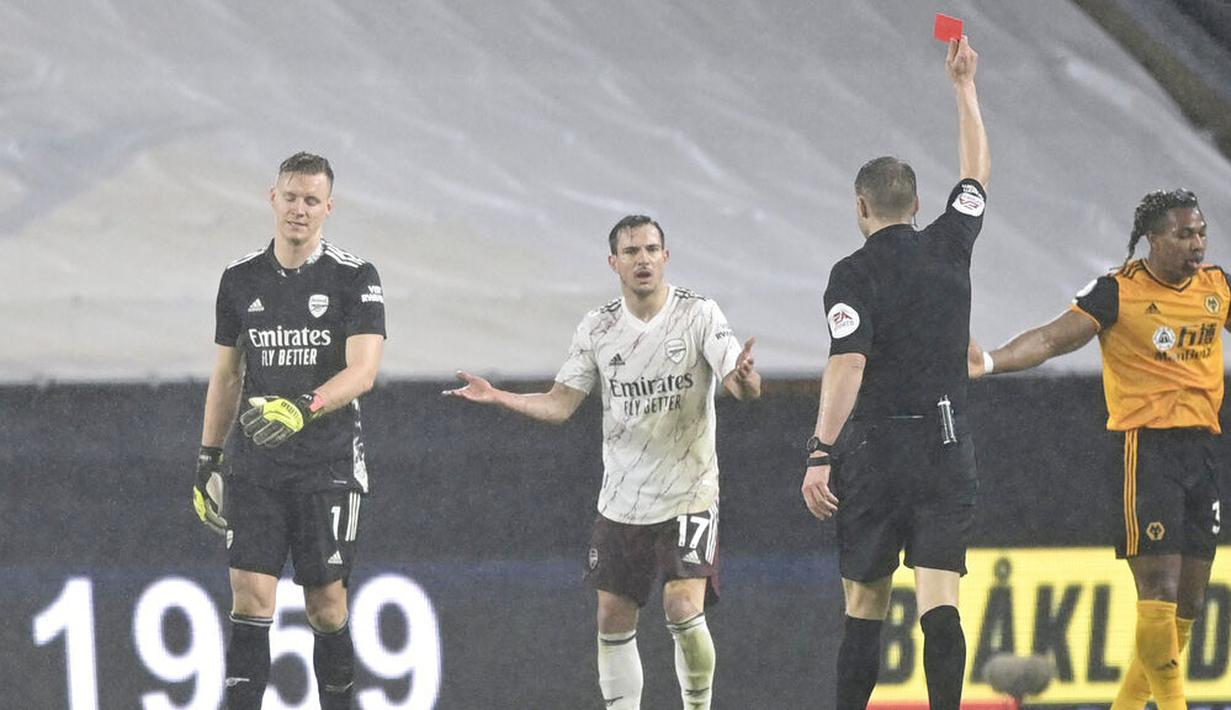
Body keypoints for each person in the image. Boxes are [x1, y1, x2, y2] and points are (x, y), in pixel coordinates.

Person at [443, 215, 760, 710]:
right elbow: (561, 403)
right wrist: (498, 396)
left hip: (689, 493)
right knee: (612, 619)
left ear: (666, 257)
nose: (643, 260)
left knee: (681, 607)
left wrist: (743, 376)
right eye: (632, 252)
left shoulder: (699, 315)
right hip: (623, 499)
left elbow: (740, 385)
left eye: (652, 249)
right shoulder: (599, 327)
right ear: (614, 262)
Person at [969, 188, 1224, 710]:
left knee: (1190, 601)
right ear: (1153, 240)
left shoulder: (1216, 287)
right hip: (1145, 449)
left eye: (1200, 232)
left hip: (1203, 451)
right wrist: (991, 362)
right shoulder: (1117, 292)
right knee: (1159, 588)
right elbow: (1052, 339)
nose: (1196, 244)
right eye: (1183, 235)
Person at [800, 35, 989, 710]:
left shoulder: (851, 275)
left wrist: (821, 450)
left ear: (861, 209)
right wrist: (963, 90)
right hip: (945, 447)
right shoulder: (950, 244)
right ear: (914, 205)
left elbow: (848, 362)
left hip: (877, 454)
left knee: (865, 604)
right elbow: (975, 179)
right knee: (940, 601)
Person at [192, 151, 386, 709]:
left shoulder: (355, 278)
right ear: (271, 198)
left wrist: (304, 407)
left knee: (326, 605)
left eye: (311, 201)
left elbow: (364, 370)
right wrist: (208, 459)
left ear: (329, 208)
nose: (299, 210)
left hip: (326, 465)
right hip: (256, 465)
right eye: (290, 197)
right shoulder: (239, 280)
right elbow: (227, 375)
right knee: (251, 599)